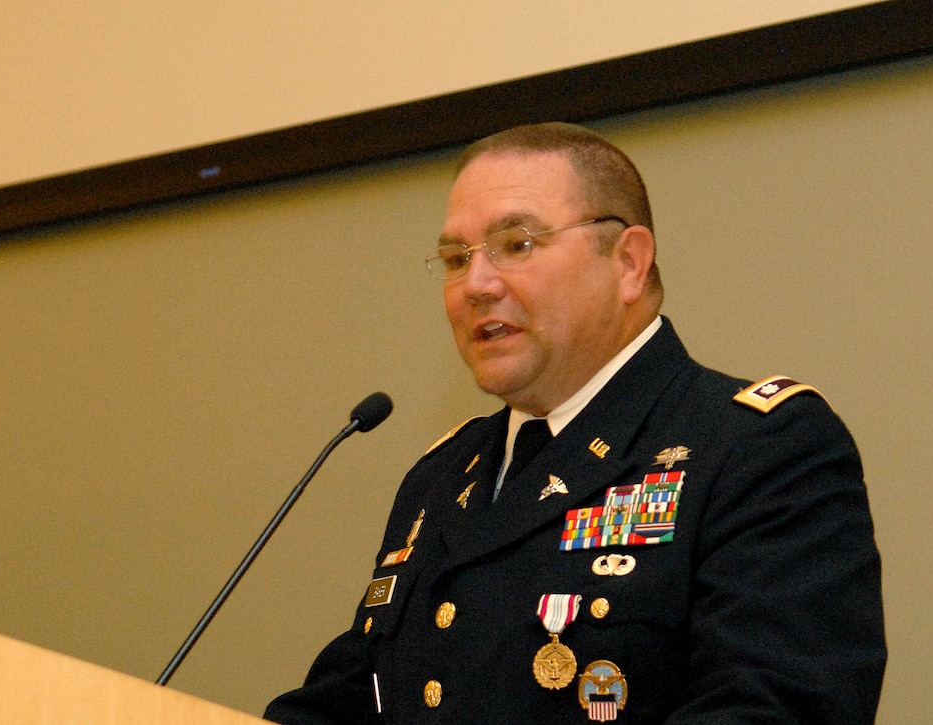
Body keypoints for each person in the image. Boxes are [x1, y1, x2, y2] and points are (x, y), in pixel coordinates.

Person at [264, 122, 886, 723]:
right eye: (455, 258)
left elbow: (778, 706)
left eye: (517, 245)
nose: (476, 284)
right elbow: (354, 695)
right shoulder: (440, 477)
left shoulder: (758, 447)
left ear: (628, 263)